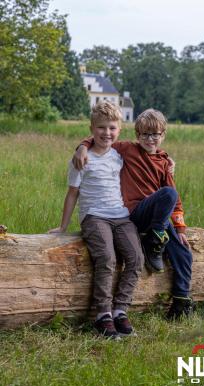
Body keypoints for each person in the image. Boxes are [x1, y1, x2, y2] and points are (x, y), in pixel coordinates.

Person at [73, 108, 193, 320]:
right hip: (135, 213)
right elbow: (101, 138)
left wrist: (181, 228)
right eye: (145, 134)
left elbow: (175, 200)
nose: (150, 139)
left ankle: (181, 300)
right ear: (137, 135)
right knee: (168, 193)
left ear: (163, 135)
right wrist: (82, 147)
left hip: (159, 217)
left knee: (183, 249)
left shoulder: (165, 162)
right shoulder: (127, 149)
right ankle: (155, 240)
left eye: (155, 134)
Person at [49, 101, 144, 339]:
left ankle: (121, 309)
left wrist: (169, 163)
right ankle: (103, 315)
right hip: (94, 216)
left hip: (120, 216)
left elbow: (150, 154)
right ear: (92, 128)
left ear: (119, 130)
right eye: (101, 128)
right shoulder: (82, 159)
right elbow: (72, 194)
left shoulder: (119, 156)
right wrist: (63, 226)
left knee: (136, 257)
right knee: (107, 258)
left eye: (112, 128)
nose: (107, 133)